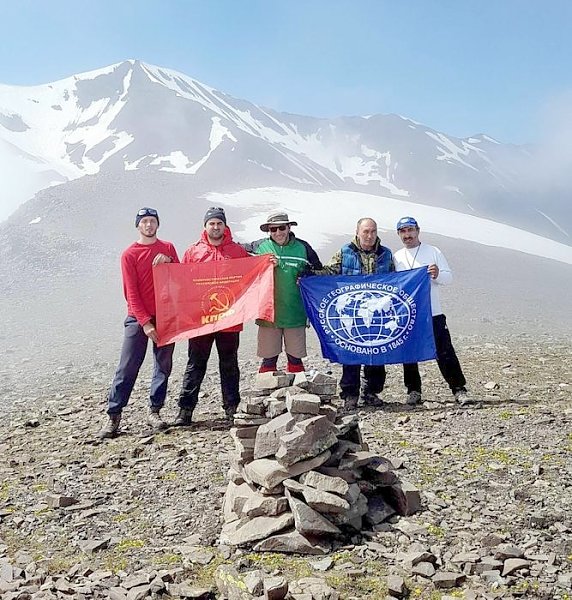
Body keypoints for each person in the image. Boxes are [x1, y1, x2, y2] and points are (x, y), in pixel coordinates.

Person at [99, 207, 179, 439]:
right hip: (138, 318)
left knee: (163, 366)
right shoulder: (129, 254)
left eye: (152, 221)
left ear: (157, 224)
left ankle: (155, 411)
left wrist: (170, 260)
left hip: (165, 315)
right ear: (138, 225)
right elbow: (131, 293)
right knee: (128, 366)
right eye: (144, 221)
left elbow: (181, 276)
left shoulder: (168, 247)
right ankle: (113, 415)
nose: (148, 225)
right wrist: (145, 323)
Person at [174, 207, 249, 426]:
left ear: (225, 226)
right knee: (196, 363)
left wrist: (267, 264)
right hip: (200, 320)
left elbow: (250, 276)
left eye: (219, 223)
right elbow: (182, 281)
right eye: (211, 223)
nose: (215, 227)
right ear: (205, 226)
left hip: (229, 319)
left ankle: (231, 408)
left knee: (229, 364)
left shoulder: (237, 251)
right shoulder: (193, 252)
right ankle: (185, 410)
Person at [393, 216, 468, 405]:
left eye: (410, 230)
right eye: (403, 231)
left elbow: (448, 278)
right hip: (408, 314)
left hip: (433, 312)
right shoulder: (396, 257)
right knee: (409, 353)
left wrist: (437, 274)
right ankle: (413, 390)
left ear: (418, 230)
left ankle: (459, 389)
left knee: (444, 351)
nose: (407, 235)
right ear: (399, 234)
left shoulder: (433, 251)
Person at [322, 217, 394, 411]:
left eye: (373, 231)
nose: (369, 236)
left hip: (377, 314)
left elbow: (396, 280)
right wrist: (310, 275)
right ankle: (350, 395)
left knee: (377, 353)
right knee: (351, 355)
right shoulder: (345, 252)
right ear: (357, 232)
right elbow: (329, 272)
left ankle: (371, 392)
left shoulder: (386, 254)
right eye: (366, 232)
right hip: (353, 314)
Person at [245, 211, 322, 374]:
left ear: (289, 228)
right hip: (268, 313)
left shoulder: (303, 248)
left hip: (295, 312)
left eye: (281, 228)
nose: (278, 233)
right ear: (269, 231)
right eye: (273, 230)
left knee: (295, 357)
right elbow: (236, 256)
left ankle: (297, 392)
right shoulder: (259, 246)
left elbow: (320, 271)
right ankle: (267, 393)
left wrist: (306, 275)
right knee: (268, 358)